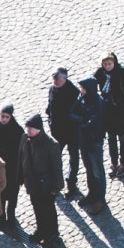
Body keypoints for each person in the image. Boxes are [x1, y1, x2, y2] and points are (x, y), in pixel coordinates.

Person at [19, 114, 61, 245]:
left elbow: (56, 168)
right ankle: (41, 230)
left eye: (31, 128)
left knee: (48, 210)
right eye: (27, 127)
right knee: (37, 207)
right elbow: (21, 157)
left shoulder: (51, 144)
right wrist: (19, 176)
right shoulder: (25, 138)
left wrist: (56, 187)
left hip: (46, 184)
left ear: (39, 129)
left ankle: (52, 234)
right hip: (32, 182)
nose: (28, 130)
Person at [71, 77, 107, 215]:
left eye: (83, 88)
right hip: (84, 140)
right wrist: (82, 121)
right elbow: (72, 113)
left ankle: (100, 199)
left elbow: (93, 123)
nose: (81, 90)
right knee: (89, 169)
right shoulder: (82, 98)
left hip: (94, 141)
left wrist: (81, 123)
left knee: (97, 171)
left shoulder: (99, 103)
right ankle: (92, 194)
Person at [44, 68, 80, 200]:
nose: (55, 82)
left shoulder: (74, 92)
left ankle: (71, 183)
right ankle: (55, 182)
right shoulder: (52, 88)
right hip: (57, 131)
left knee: (73, 157)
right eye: (54, 80)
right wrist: (50, 118)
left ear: (65, 78)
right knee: (54, 157)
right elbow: (50, 106)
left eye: (58, 80)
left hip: (71, 132)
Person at [94, 53, 124, 178]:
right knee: (111, 138)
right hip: (107, 110)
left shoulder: (122, 72)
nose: (107, 66)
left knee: (123, 138)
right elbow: (93, 83)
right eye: (105, 64)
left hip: (120, 110)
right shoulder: (100, 73)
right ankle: (114, 162)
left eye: (109, 64)